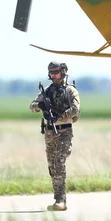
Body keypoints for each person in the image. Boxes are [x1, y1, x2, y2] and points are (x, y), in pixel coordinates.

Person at [29, 61, 80, 211]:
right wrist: (40, 106)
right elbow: (32, 106)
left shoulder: (70, 91)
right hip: (50, 133)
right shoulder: (47, 91)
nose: (53, 75)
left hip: (64, 131)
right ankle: (58, 197)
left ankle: (60, 200)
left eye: (56, 72)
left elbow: (75, 109)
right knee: (52, 167)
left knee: (59, 163)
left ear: (63, 72)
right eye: (51, 72)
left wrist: (60, 116)